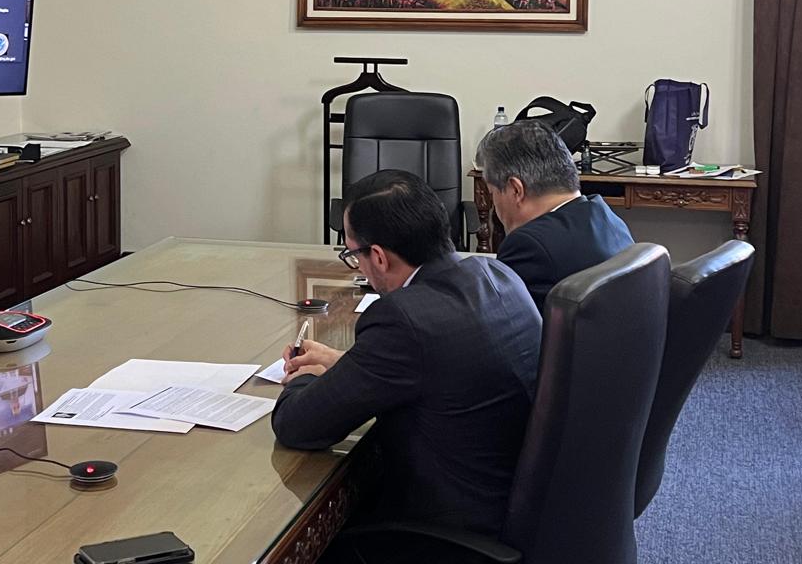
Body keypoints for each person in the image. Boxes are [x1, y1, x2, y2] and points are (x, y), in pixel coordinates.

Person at [272, 169, 541, 539]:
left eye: (353, 255)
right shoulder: (494, 272)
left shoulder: (403, 320)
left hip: (445, 532)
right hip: (517, 506)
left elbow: (297, 426)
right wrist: (344, 365)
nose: (358, 266)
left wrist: (299, 373)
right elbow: (437, 368)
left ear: (378, 257)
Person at [477, 120, 634, 316]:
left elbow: (505, 328)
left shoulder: (528, 245)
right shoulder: (605, 216)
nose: (494, 204)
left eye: (492, 193)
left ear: (516, 190)